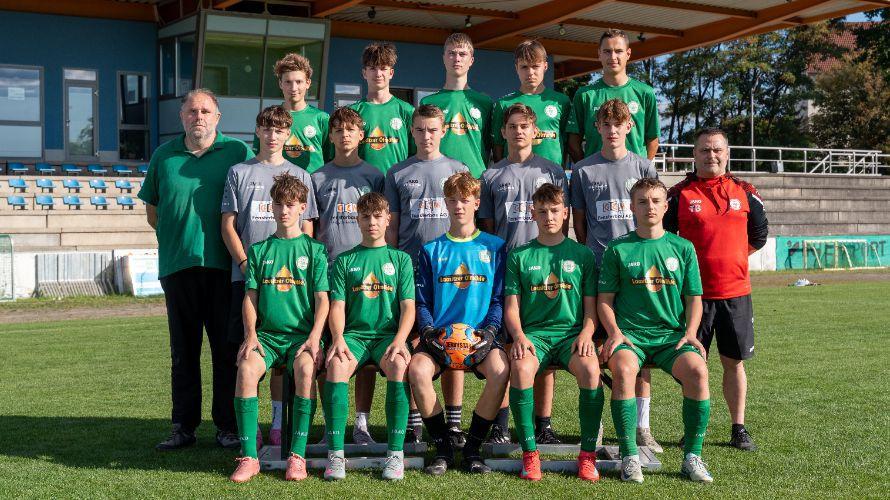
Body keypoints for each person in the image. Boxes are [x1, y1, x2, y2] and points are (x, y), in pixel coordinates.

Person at [139, 88, 253, 451]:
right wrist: (179, 238)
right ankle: (183, 426)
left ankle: (227, 426)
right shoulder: (164, 155)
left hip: (224, 268)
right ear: (182, 117)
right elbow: (153, 211)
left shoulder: (237, 152)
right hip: (178, 267)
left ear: (217, 117)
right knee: (183, 352)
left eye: (205, 111)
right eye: (191, 111)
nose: (198, 116)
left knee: (226, 350)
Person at [597, 177, 713, 483]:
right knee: (624, 370)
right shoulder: (618, 248)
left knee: (698, 371)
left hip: (670, 338)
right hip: (630, 337)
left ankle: (692, 457)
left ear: (666, 206)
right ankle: (630, 457)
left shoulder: (682, 247)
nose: (649, 206)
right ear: (632, 207)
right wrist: (614, 332)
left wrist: (691, 333)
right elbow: (604, 301)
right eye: (642, 201)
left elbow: (694, 299)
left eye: (656, 201)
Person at [664, 127, 768, 452]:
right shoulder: (678, 195)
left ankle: (739, 427)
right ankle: (694, 427)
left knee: (733, 362)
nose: (712, 155)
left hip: (736, 294)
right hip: (694, 297)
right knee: (694, 363)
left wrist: (732, 259)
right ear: (694, 155)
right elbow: (664, 241)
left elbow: (759, 236)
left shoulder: (746, 192)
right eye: (705, 150)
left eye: (717, 149)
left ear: (727, 153)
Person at [221, 105, 318, 448]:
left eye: (279, 130)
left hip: (289, 282)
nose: (272, 135)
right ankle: (250, 428)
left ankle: (277, 421)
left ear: (288, 134)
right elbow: (228, 224)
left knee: (283, 355)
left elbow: (308, 227)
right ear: (257, 131)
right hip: (248, 277)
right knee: (249, 349)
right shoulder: (239, 171)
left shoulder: (300, 174)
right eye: (266, 128)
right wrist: (244, 262)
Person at [570, 98, 662, 451]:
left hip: (636, 271)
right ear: (597, 128)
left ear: (629, 127)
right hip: (598, 269)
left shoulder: (643, 166)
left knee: (638, 347)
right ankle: (594, 425)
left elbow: (654, 216)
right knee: (593, 348)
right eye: (605, 124)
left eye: (618, 124)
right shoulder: (583, 170)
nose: (612, 130)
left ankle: (642, 426)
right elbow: (580, 222)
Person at [229, 172, 330, 483]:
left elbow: (323, 301)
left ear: (302, 207)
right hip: (268, 337)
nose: (284, 210)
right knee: (246, 369)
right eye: (278, 204)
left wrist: (314, 338)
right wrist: (251, 334)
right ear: (271, 207)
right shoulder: (259, 250)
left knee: (306, 370)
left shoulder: (314, 250)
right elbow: (250, 297)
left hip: (302, 338)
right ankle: (249, 457)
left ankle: (297, 456)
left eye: (290, 204)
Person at [408, 171, 509, 475]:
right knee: (417, 370)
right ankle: (443, 448)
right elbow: (422, 302)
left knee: (500, 370)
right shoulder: (431, 250)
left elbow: (498, 299)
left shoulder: (495, 247)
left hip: (479, 339)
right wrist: (429, 332)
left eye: (465, 200)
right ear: (445, 203)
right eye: (452, 200)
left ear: (477, 202)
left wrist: (489, 333)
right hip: (440, 338)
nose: (458, 206)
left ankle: (473, 449)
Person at [479, 102, 568, 444]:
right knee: (507, 346)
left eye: (524, 126)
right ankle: (501, 424)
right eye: (512, 126)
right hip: (506, 270)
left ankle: (543, 424)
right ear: (503, 132)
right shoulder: (491, 175)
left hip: (544, 272)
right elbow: (488, 228)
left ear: (535, 132)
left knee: (541, 342)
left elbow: (563, 225)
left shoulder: (553, 171)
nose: (518, 131)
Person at [505, 183, 602, 482]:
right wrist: (519, 337)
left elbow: (592, 309)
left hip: (572, 336)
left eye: (555, 211)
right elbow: (511, 308)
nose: (549, 217)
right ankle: (530, 454)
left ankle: (587, 456)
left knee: (591, 370)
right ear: (532, 214)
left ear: (566, 213)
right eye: (543, 211)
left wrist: (586, 333)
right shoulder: (519, 255)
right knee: (521, 368)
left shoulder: (582, 255)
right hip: (534, 336)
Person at [384, 104, 469, 444]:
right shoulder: (397, 172)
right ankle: (415, 421)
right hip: (411, 271)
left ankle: (454, 421)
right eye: (420, 129)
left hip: (450, 274)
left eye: (432, 129)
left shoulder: (458, 169)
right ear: (411, 131)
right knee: (413, 344)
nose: (426, 135)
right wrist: (395, 266)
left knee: (454, 340)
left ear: (443, 131)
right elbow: (392, 227)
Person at [322, 192, 415, 481]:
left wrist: (400, 339)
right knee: (336, 365)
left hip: (388, 337)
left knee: (399, 364)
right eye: (365, 216)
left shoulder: (400, 260)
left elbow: (408, 307)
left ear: (388, 219)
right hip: (355, 337)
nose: (371, 222)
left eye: (377, 216)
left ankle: (395, 454)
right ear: (357, 220)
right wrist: (338, 337)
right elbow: (337, 306)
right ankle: (335, 454)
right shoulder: (344, 260)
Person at [312, 106, 385, 445]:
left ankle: (361, 424)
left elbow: (383, 226)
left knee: (364, 354)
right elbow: (312, 229)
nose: (344, 135)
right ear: (330, 136)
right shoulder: (317, 178)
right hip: (329, 276)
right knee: (329, 353)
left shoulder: (374, 175)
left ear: (361, 136)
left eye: (351, 130)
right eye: (338, 130)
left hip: (365, 278)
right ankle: (332, 425)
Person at [567, 29, 659, 162]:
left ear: (628, 54)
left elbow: (653, 140)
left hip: (634, 173)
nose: (613, 57)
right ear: (599, 54)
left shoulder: (645, 93)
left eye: (619, 51)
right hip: (595, 172)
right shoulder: (585, 95)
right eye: (607, 51)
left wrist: (642, 168)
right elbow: (573, 143)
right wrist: (586, 167)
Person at [419, 33, 493, 178]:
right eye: (451, 53)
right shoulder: (428, 102)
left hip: (475, 179)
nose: (457, 58)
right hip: (438, 178)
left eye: (462, 54)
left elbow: (489, 145)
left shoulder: (485, 102)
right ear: (444, 58)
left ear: (471, 60)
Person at [491, 40, 572, 166]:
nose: (530, 72)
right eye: (524, 67)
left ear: (545, 66)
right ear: (516, 68)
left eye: (535, 66)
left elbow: (568, 143)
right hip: (514, 174)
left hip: (552, 174)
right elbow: (497, 147)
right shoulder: (503, 104)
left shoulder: (561, 101)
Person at [257, 53, 332, 173]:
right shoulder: (268, 118)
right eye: (288, 82)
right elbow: (259, 157)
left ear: (308, 83)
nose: (293, 88)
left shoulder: (322, 118)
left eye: (299, 82)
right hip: (277, 181)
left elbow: (330, 158)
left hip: (313, 183)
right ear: (280, 84)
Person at [350, 41, 415, 173]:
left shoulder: (407, 111)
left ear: (391, 73)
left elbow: (416, 155)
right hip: (361, 182)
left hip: (397, 182)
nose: (378, 74)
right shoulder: (353, 112)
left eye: (383, 68)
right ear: (364, 73)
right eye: (373, 68)